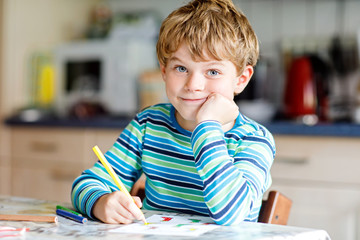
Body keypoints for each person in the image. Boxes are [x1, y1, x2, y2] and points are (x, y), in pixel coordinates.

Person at [71, 0, 275, 226]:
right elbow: (87, 183)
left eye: (213, 71)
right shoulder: (148, 124)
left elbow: (232, 214)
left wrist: (207, 127)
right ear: (164, 71)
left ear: (241, 79)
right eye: (181, 68)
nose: (193, 84)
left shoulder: (254, 139)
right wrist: (101, 202)